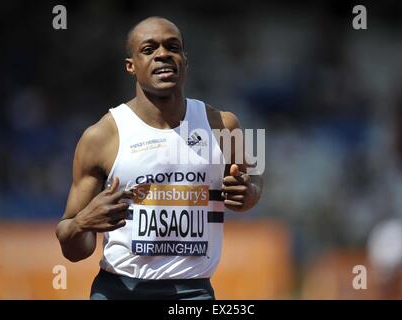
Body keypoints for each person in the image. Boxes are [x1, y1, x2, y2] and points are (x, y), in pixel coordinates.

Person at [55, 16, 263, 300]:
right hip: (120, 290)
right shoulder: (101, 137)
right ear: (131, 65)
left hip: (193, 293)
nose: (163, 54)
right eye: (149, 49)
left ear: (185, 61)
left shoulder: (224, 126)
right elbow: (71, 248)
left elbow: (255, 181)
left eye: (172, 47)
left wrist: (250, 193)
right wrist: (83, 223)